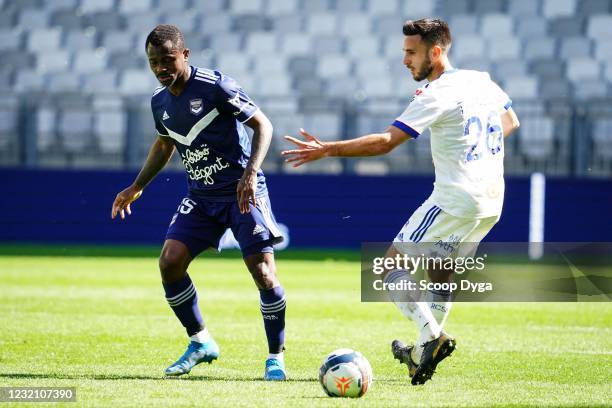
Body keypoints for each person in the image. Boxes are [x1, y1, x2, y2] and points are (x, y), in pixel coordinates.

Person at [282, 18, 520, 385]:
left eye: (411, 53)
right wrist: (473, 151)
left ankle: (430, 337)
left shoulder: (436, 93)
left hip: (456, 197)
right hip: (491, 201)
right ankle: (424, 351)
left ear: (436, 52)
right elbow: (511, 122)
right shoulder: (481, 80)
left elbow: (386, 142)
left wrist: (327, 149)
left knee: (386, 269)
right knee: (441, 270)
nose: (405, 60)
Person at [111, 24, 287, 381]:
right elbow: (164, 144)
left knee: (263, 273)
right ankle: (200, 341)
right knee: (170, 262)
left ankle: (275, 359)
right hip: (202, 197)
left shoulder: (215, 86)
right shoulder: (159, 102)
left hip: (241, 191)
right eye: (153, 62)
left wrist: (251, 173)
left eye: (168, 59)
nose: (161, 68)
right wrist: (137, 185)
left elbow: (263, 125)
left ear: (185, 55)